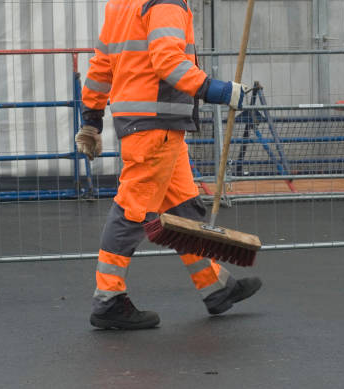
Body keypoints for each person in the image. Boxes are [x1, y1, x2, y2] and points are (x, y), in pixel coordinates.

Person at [76, 0, 262, 330]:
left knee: (183, 210)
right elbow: (169, 62)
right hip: (156, 124)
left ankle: (215, 286)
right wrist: (219, 90)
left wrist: (91, 120)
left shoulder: (121, 4)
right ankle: (108, 298)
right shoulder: (166, 2)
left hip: (149, 124)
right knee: (131, 211)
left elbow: (101, 67)